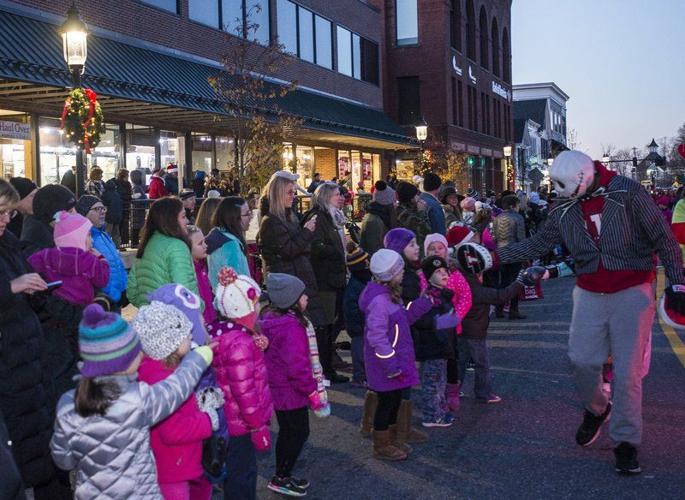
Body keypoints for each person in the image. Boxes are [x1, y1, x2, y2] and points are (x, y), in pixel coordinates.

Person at [494, 150, 685, 475]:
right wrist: (491, 255)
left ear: (586, 179)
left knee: (627, 372)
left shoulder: (627, 192)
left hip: (632, 287)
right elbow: (538, 244)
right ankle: (597, 408)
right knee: (581, 361)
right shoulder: (565, 206)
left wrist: (678, 285)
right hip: (590, 290)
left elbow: (664, 238)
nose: (566, 199)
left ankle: (626, 443)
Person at [50, 303, 214, 499]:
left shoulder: (68, 404)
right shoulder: (137, 399)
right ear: (126, 360)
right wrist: (198, 359)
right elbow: (176, 389)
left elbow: (64, 460)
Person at [0, 180, 65, 499]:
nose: (6, 220)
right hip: (10, 366)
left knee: (39, 447)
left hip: (28, 360)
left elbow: (25, 283)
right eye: (0, 213)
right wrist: (11, 288)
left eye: (8, 213)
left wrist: (40, 289)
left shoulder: (9, 243)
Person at [359, 249, 433, 460]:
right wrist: (390, 365)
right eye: (399, 270)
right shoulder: (380, 303)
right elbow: (377, 338)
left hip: (395, 360)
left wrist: (424, 302)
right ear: (390, 275)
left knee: (394, 400)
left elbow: (404, 318)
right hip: (385, 365)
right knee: (387, 403)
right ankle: (381, 444)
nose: (403, 273)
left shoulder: (389, 296)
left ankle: (391, 438)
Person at [136, 302, 214, 500]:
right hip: (172, 471)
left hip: (180, 462)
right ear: (168, 342)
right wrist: (207, 419)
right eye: (185, 334)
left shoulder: (165, 370)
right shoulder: (161, 381)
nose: (190, 335)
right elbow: (172, 430)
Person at [260, 273, 328, 497]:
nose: (306, 297)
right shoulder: (292, 327)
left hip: (280, 389)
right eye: (302, 295)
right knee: (297, 433)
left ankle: (283, 474)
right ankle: (280, 476)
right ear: (291, 300)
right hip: (290, 392)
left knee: (290, 432)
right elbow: (297, 366)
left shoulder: (272, 319)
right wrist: (311, 390)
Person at [211, 268, 273, 500]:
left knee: (237, 472)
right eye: (256, 304)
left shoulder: (226, 334)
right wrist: (257, 426)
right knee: (243, 475)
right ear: (245, 309)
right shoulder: (240, 345)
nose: (259, 308)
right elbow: (244, 390)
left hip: (230, 420)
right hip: (241, 425)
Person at [456, 243, 542, 403]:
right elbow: (502, 295)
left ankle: (453, 391)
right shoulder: (477, 291)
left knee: (460, 362)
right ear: (477, 273)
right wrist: (520, 281)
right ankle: (484, 393)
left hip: (462, 330)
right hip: (476, 333)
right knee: (482, 364)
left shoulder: (461, 281)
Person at [258, 170, 325, 328]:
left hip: (297, 276)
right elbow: (288, 250)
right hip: (289, 281)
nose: (293, 196)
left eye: (293, 192)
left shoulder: (287, 217)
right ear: (278, 193)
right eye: (289, 193)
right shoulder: (271, 221)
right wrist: (307, 231)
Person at [302, 183, 349, 384]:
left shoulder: (333, 217)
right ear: (326, 197)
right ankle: (325, 369)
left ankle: (328, 365)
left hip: (333, 278)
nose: (341, 197)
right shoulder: (319, 217)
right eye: (337, 194)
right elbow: (315, 247)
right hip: (323, 280)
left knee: (331, 324)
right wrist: (337, 251)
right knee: (325, 326)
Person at [420, 233, 473, 412]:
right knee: (432, 364)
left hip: (451, 328)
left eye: (440, 248)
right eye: (432, 249)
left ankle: (452, 393)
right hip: (430, 329)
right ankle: (435, 396)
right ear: (426, 252)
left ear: (446, 249)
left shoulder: (454, 273)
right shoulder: (422, 274)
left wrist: (454, 318)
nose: (437, 251)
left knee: (452, 362)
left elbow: (466, 296)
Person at [414, 256, 460, 427]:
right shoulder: (429, 297)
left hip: (441, 348)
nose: (443, 274)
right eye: (437, 272)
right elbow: (421, 320)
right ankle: (431, 416)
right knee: (432, 383)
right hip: (432, 347)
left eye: (444, 271)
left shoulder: (443, 295)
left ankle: (439, 410)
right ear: (428, 277)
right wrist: (442, 323)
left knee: (439, 382)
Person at [27, 211, 110, 307]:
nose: (92, 240)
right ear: (78, 238)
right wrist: (102, 259)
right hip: (83, 309)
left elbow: (28, 266)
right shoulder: (89, 260)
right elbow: (102, 281)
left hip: (56, 308)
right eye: (88, 235)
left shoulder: (46, 255)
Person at [128, 197, 199, 308]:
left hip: (149, 318)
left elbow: (132, 292)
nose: (187, 221)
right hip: (176, 320)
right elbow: (186, 291)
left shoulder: (146, 244)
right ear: (171, 219)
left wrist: (148, 306)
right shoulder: (176, 246)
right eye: (183, 216)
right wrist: (200, 308)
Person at [76, 195, 128, 310]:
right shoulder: (85, 238)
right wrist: (113, 294)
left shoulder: (104, 235)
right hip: (103, 301)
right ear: (84, 213)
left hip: (116, 298)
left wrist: (124, 288)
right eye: (96, 209)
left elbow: (117, 263)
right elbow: (93, 274)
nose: (102, 212)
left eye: (103, 208)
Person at [492, 194, 527, 320]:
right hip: (515, 251)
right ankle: (513, 310)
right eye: (518, 204)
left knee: (504, 281)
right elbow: (521, 238)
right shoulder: (518, 217)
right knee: (516, 280)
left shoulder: (497, 218)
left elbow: (494, 237)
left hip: (501, 252)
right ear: (513, 205)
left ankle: (499, 308)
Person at [343, 242, 372, 388]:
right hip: (358, 324)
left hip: (362, 322)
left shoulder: (362, 282)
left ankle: (364, 374)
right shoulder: (356, 286)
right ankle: (359, 376)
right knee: (359, 351)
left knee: (364, 350)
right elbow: (351, 307)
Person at [20, 184, 76, 257]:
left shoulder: (53, 236)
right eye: (70, 211)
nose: (76, 214)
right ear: (52, 215)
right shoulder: (37, 250)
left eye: (75, 209)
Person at [207, 197, 251, 287]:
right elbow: (236, 282)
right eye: (247, 214)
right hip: (235, 298)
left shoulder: (217, 235)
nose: (250, 217)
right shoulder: (230, 244)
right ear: (233, 218)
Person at [359, 180, 396, 256]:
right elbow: (374, 250)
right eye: (393, 201)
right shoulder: (373, 220)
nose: (395, 203)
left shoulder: (383, 215)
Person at [395, 181, 431, 251]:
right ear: (411, 198)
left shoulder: (410, 209)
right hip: (412, 251)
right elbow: (425, 230)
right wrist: (421, 211)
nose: (418, 197)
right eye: (416, 195)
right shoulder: (403, 213)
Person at [102, 178, 124, 248]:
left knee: (107, 234)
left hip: (109, 217)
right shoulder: (117, 194)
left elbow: (104, 206)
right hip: (118, 217)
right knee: (116, 234)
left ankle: (107, 248)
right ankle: (117, 248)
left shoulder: (105, 195)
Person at [129, 169, 147, 247]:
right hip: (137, 210)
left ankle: (135, 242)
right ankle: (134, 243)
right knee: (136, 226)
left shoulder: (138, 187)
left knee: (138, 226)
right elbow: (136, 199)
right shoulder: (136, 188)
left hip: (139, 210)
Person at [114, 169, 132, 246]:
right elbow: (128, 195)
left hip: (118, 207)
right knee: (124, 225)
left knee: (118, 226)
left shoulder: (115, 183)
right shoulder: (127, 184)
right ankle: (124, 243)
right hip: (125, 206)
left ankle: (119, 243)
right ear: (125, 176)